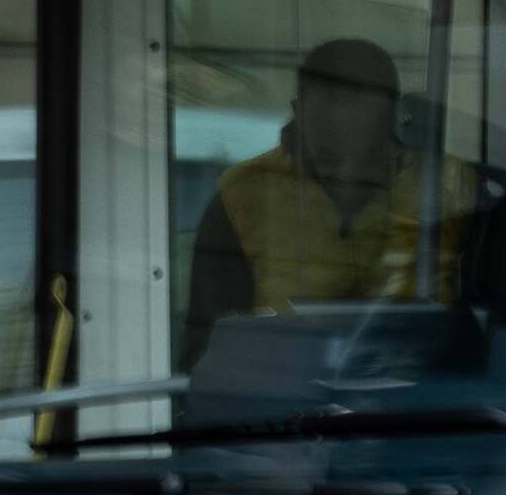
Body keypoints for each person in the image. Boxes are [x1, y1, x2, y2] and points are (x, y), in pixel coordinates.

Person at [184, 38, 438, 360]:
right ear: (298, 112)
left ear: (394, 117)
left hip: (418, 397)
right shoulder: (244, 196)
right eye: (330, 102)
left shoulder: (439, 188)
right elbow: (207, 343)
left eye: (358, 103)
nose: (343, 118)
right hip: (279, 396)